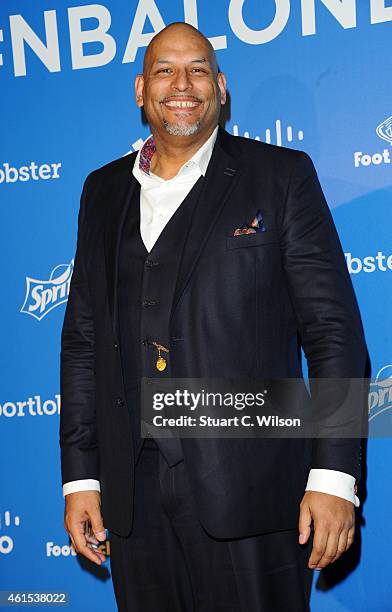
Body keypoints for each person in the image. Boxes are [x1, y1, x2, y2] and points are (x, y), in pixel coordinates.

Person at [60, 22, 367, 611]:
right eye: (164, 70)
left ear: (221, 89)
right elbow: (83, 340)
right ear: (140, 90)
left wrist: (333, 476)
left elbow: (334, 335)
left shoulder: (281, 176)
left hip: (254, 488)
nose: (183, 84)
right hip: (133, 499)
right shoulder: (100, 193)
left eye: (198, 69)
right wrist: (82, 476)